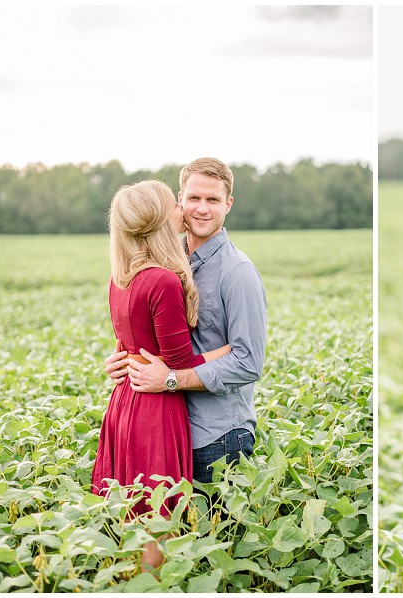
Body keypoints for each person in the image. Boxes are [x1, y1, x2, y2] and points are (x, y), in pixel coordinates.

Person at [93, 179, 230, 571]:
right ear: (159, 219)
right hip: (156, 408)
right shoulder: (163, 280)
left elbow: (130, 345)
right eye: (175, 204)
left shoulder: (120, 278)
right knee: (160, 514)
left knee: (134, 515)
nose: (183, 210)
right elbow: (179, 362)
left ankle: (135, 581)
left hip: (125, 403)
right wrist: (224, 351)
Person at [105, 157, 267, 484]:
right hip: (169, 432)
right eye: (194, 198)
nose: (202, 209)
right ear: (179, 202)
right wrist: (125, 360)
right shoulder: (164, 263)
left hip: (217, 437)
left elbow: (249, 362)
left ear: (228, 204)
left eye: (213, 200)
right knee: (172, 530)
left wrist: (170, 379)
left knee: (213, 534)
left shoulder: (237, 272)